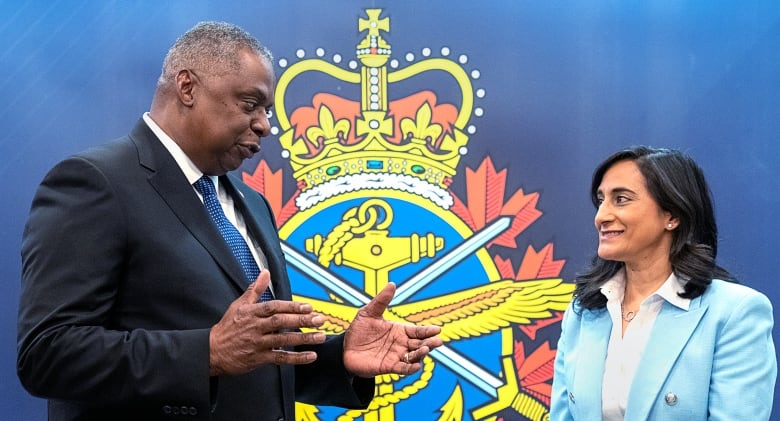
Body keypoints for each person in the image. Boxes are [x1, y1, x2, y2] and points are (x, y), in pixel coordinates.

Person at [17, 21, 442, 421]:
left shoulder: (251, 203)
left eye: (267, 110)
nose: (266, 126)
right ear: (187, 87)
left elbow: (255, 360)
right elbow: (47, 353)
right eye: (250, 104)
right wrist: (207, 352)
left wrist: (340, 357)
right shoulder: (96, 183)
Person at [551, 146, 776, 420]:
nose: (601, 216)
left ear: (672, 215)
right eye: (601, 201)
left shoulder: (735, 313)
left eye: (621, 199)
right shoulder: (583, 310)